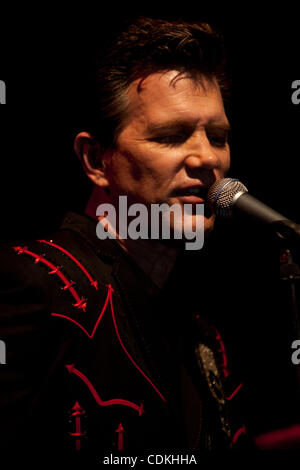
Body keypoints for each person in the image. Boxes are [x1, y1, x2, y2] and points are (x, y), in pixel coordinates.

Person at [0, 16, 249, 462]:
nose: (208, 158)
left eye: (218, 136)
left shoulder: (200, 330)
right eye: (171, 136)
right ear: (97, 159)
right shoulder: (32, 283)